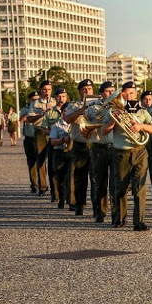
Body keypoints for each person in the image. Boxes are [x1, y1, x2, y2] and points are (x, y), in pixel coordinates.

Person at [102, 81, 152, 231]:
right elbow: (104, 131)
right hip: (121, 153)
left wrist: (141, 126)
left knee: (140, 187)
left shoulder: (142, 111)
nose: (129, 96)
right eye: (126, 93)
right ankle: (119, 218)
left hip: (139, 151)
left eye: (132, 93)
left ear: (136, 94)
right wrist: (114, 122)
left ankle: (139, 222)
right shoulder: (113, 110)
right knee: (120, 187)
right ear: (121, 94)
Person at [63, 79, 95, 217]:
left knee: (96, 178)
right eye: (84, 89)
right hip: (79, 145)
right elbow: (67, 119)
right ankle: (79, 205)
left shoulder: (99, 104)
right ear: (79, 92)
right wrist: (81, 110)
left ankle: (98, 208)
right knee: (80, 177)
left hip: (95, 145)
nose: (87, 91)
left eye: (89, 88)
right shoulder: (73, 105)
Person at [86, 81, 116, 223]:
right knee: (100, 181)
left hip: (115, 146)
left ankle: (117, 212)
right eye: (107, 91)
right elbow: (83, 120)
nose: (110, 93)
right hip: (99, 146)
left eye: (112, 90)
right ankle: (100, 211)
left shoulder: (119, 107)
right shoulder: (93, 107)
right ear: (101, 93)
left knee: (116, 182)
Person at [41, 88, 69, 206]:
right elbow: (43, 128)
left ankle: (67, 195)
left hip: (68, 146)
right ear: (55, 98)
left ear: (66, 97)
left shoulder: (70, 109)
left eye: (63, 96)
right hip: (54, 143)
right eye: (58, 96)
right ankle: (55, 194)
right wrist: (54, 133)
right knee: (53, 171)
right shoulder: (50, 112)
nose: (60, 98)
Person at [26, 80, 54, 196]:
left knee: (53, 160)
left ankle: (55, 188)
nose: (46, 92)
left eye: (48, 89)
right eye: (44, 89)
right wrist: (41, 114)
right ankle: (42, 186)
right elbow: (29, 119)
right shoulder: (35, 103)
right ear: (40, 90)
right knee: (40, 159)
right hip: (40, 131)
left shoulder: (55, 101)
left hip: (54, 131)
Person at [49, 102, 72, 209]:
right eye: (65, 111)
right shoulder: (56, 125)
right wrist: (63, 139)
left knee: (71, 177)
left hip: (71, 153)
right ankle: (61, 199)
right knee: (60, 178)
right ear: (62, 113)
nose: (67, 113)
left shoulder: (75, 125)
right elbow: (52, 141)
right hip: (59, 153)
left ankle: (72, 201)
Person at [20, 92, 39, 192]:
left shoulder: (41, 108)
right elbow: (21, 119)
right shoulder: (25, 109)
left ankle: (42, 184)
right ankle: (34, 185)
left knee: (41, 162)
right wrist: (30, 111)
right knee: (31, 161)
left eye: (37, 99)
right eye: (33, 100)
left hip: (39, 137)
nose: (35, 101)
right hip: (29, 138)